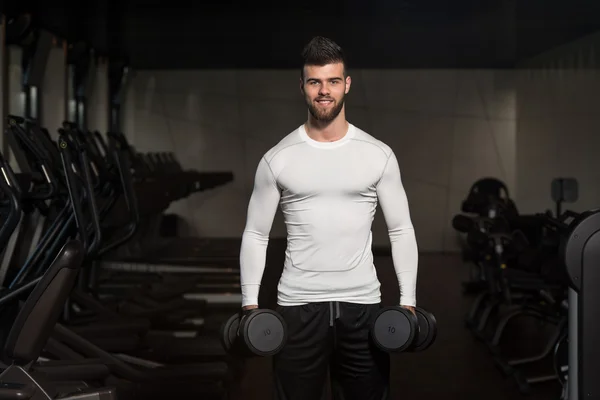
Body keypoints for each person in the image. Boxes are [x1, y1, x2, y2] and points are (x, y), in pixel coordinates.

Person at [239, 36, 419, 400]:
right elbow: (256, 234)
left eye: (333, 81)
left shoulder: (378, 155)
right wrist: (250, 305)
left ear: (347, 84)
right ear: (302, 86)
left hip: (363, 305)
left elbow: (400, 230)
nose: (325, 91)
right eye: (315, 81)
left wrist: (408, 300)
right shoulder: (278, 158)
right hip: (297, 307)